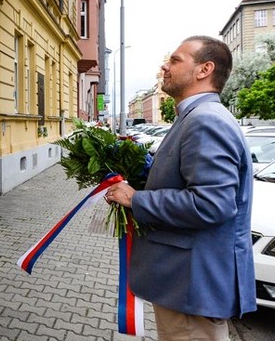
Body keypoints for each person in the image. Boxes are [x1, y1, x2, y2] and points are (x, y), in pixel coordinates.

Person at [104, 36, 256, 340]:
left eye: (175, 60)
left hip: (191, 287)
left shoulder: (205, 121)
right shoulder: (194, 117)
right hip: (185, 284)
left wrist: (136, 199)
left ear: (204, 69)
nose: (164, 66)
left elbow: (210, 204)